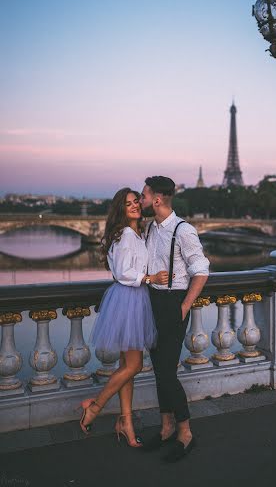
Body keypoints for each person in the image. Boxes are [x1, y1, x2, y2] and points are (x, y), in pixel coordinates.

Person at [76, 187, 169, 447]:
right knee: (134, 366)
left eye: (136, 201)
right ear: (121, 208)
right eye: (128, 204)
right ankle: (94, 406)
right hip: (129, 299)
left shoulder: (138, 233)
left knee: (126, 367)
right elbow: (122, 271)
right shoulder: (125, 235)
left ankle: (125, 422)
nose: (135, 206)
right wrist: (149, 278)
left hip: (135, 300)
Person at [140, 176, 210, 462]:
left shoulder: (183, 230)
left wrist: (184, 306)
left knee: (167, 372)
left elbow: (202, 271)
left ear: (157, 199)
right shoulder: (149, 228)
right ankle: (167, 426)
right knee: (160, 370)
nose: (141, 200)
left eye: (144, 195)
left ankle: (185, 431)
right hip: (152, 301)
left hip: (172, 304)